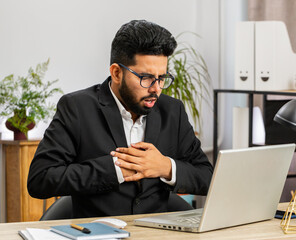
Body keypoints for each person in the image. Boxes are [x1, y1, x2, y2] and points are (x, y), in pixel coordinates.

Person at [27, 20, 213, 218]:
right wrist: (115, 169)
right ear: (116, 73)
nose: (156, 88)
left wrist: (166, 167)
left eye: (161, 78)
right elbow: (40, 179)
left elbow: (208, 177)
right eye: (146, 78)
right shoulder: (77, 108)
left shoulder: (172, 110)